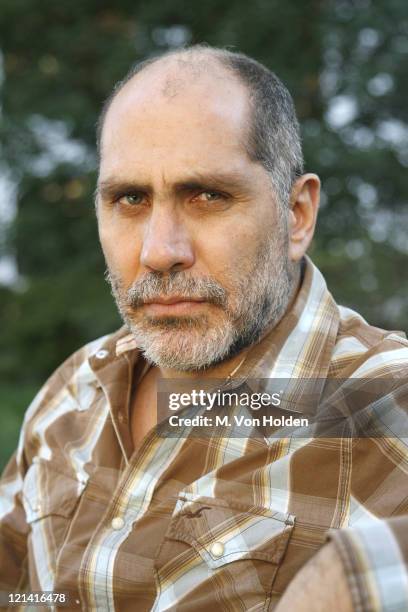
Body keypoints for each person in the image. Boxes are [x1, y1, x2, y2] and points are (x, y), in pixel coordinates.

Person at [0, 44, 407, 612]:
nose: (160, 252)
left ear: (298, 216)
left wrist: (352, 578)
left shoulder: (389, 407)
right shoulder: (71, 393)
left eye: (208, 195)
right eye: (130, 198)